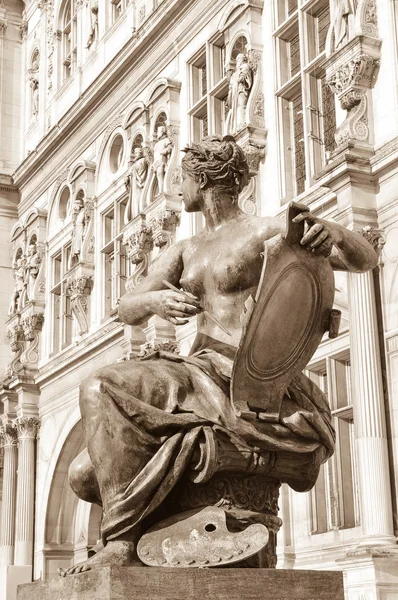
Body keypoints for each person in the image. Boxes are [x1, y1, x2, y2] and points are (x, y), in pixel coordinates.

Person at [62, 135, 377, 576]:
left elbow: (365, 258)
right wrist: (156, 304)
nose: (177, 188)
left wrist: (338, 232)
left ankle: (122, 541)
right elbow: (127, 306)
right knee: (83, 474)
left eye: (182, 179)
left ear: (204, 180)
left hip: (241, 372)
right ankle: (169, 530)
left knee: (99, 385)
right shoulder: (184, 250)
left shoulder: (264, 230)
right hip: (196, 367)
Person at [226, 53, 253, 134]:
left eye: (239, 58)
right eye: (237, 59)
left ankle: (241, 123)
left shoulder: (244, 66)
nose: (237, 60)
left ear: (243, 59)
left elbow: (244, 75)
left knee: (241, 105)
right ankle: (237, 125)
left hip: (241, 90)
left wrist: (240, 78)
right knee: (237, 107)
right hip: (235, 92)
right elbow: (231, 84)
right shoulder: (235, 72)